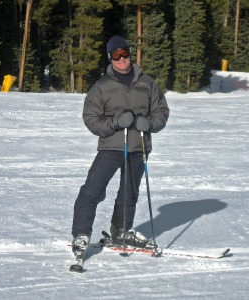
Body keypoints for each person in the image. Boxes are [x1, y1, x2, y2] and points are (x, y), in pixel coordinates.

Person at [71, 35, 170, 257]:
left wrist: (149, 124)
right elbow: (91, 118)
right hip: (110, 147)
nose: (122, 58)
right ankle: (81, 234)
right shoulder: (102, 87)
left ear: (130, 54)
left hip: (139, 147)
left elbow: (161, 112)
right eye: (116, 55)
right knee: (92, 190)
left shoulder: (147, 83)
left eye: (124, 53)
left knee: (129, 193)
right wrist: (115, 122)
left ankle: (121, 230)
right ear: (110, 58)